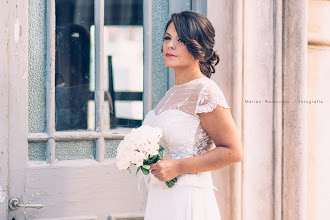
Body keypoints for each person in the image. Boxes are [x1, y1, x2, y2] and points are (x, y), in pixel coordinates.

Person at [141, 10, 243, 220]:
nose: (170, 45)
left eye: (181, 40)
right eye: (167, 38)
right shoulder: (170, 94)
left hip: (187, 201)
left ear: (199, 47)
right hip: (160, 201)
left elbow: (233, 152)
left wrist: (178, 166)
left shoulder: (205, 91)